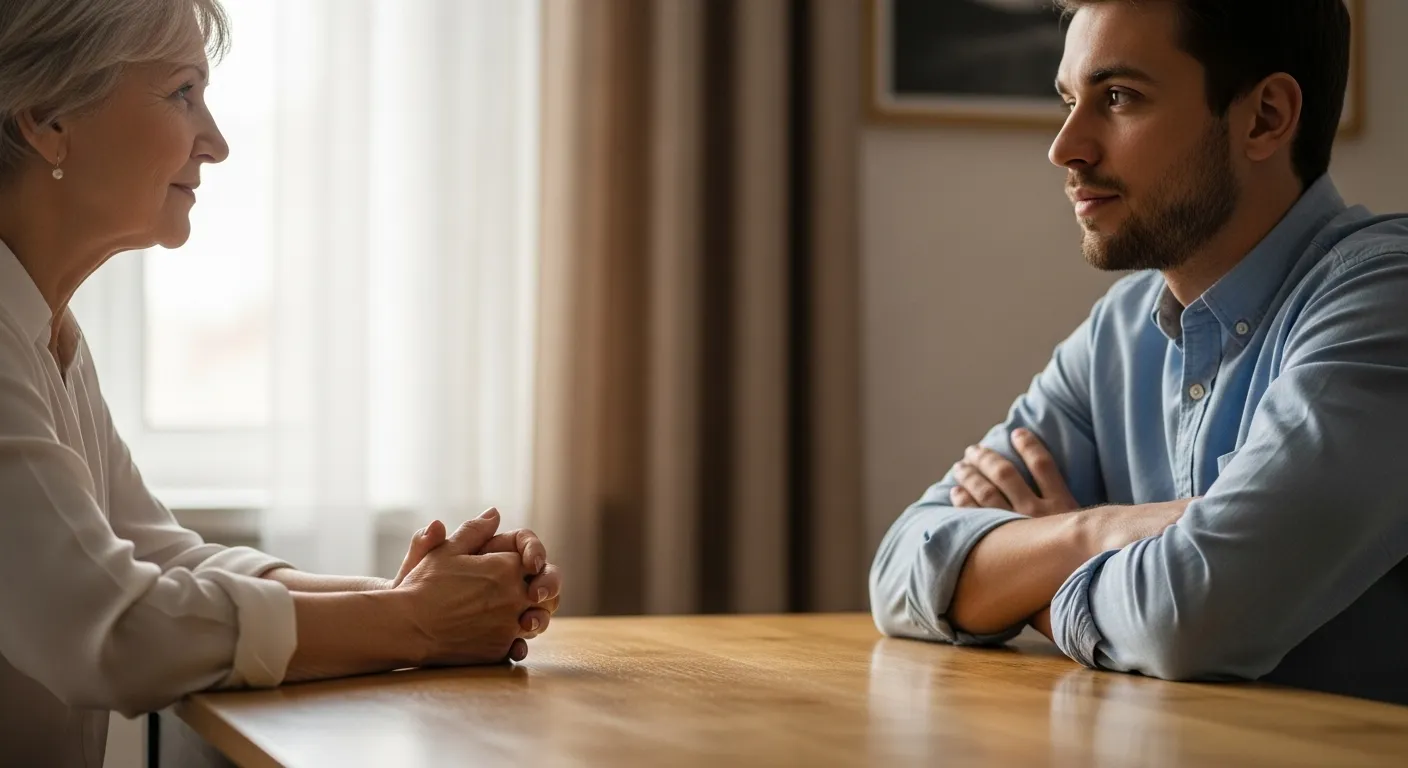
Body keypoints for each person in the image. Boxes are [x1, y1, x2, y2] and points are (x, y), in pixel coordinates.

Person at [0, 0, 562, 763]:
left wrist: (421, 600)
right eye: (183, 94)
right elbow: (114, 629)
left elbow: (165, 558)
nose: (218, 143)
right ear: (46, 118)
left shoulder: (45, 332)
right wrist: (418, 622)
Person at [870, 0, 1408, 705]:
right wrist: (1094, 531)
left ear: (1266, 117)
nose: (1066, 147)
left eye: (1118, 98)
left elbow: (1189, 619)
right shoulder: (1121, 329)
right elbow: (903, 567)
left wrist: (1027, 573)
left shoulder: (1384, 304)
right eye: (1068, 100)